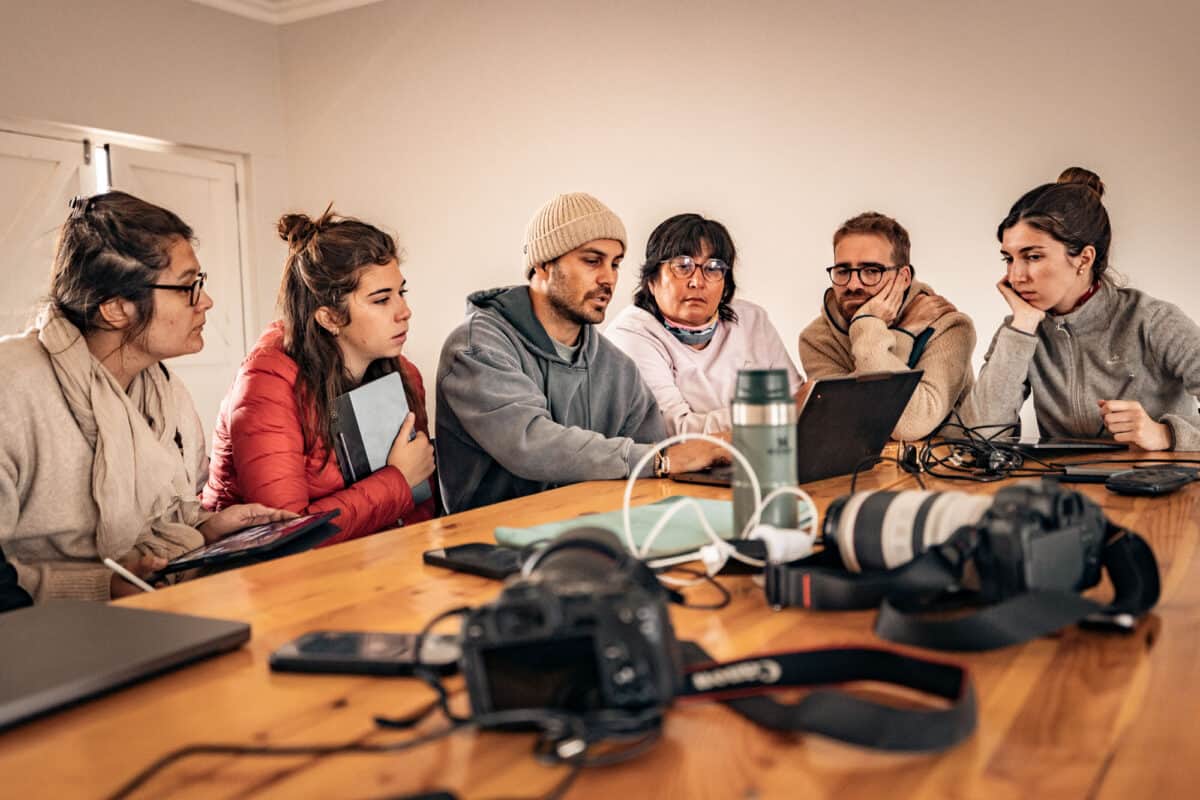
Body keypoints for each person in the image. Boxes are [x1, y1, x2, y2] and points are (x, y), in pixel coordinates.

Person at [0, 192, 292, 601]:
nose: (205, 301)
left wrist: (209, 529)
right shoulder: (11, 387)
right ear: (117, 309)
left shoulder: (165, 391)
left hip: (152, 613)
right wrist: (99, 589)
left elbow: (169, 515)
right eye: (188, 286)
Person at [435, 192, 726, 513]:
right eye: (592, 260)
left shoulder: (619, 369)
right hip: (487, 545)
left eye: (615, 264)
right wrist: (661, 459)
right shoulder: (477, 347)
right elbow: (531, 444)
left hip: (596, 536)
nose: (609, 278)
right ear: (543, 264)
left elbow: (652, 478)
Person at [204, 209, 437, 541]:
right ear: (329, 318)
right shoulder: (265, 385)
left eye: (402, 292)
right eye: (382, 299)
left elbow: (420, 503)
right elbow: (286, 534)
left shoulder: (404, 374)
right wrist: (397, 480)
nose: (404, 311)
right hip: (259, 577)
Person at [958, 168, 1200, 450]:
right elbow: (978, 439)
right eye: (1009, 259)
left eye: (1033, 256)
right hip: (1063, 491)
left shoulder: (1153, 321)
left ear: (1084, 259)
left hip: (1158, 490)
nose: (1015, 276)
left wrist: (1167, 436)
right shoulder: (1019, 333)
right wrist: (1022, 326)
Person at [605, 213, 803, 434]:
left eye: (713, 268)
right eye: (682, 266)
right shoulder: (630, 335)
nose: (697, 281)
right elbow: (673, 430)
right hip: (680, 467)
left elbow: (801, 402)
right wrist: (767, 414)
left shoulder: (752, 319)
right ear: (651, 280)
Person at [798, 212, 976, 441]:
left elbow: (911, 424)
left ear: (903, 277)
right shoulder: (817, 339)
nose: (853, 284)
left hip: (946, 468)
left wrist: (867, 325)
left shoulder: (949, 326)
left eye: (871, 271)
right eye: (843, 271)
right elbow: (845, 421)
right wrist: (902, 334)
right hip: (862, 470)